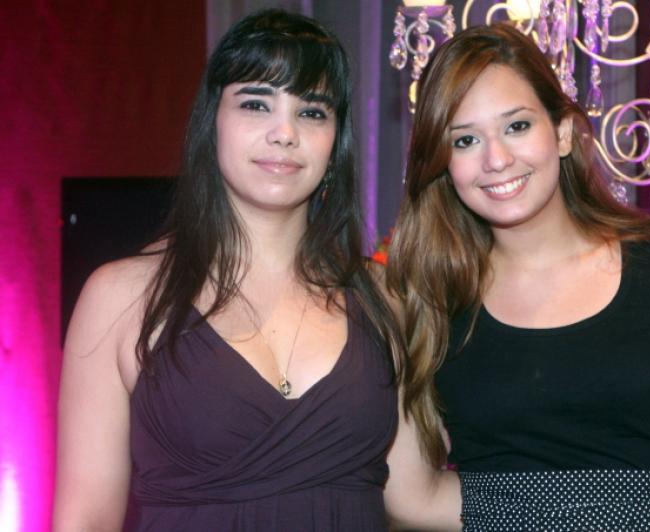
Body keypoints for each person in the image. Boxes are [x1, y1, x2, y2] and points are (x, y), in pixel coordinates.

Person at [384, 23, 650, 531]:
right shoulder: (434, 299)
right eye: (465, 140)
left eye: (517, 126)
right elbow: (414, 498)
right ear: (444, 164)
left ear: (564, 132)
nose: (496, 159)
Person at [53, 9, 402, 531]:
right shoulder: (120, 297)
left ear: (336, 143)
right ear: (211, 121)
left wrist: (540, 499)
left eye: (312, 112)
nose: (285, 133)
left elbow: (417, 496)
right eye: (256, 103)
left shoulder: (383, 298)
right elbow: (85, 519)